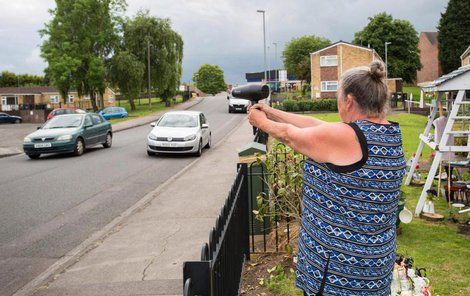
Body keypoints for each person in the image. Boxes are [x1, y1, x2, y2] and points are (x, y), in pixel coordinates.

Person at [248, 61, 406, 296]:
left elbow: (291, 137)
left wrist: (260, 121)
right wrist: (271, 112)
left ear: (349, 100)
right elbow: (316, 125)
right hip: (374, 263)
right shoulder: (388, 132)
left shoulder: (348, 136)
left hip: (339, 272)